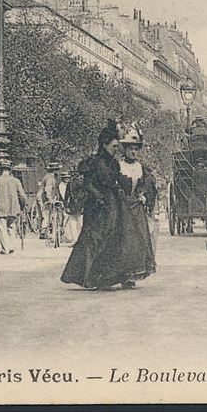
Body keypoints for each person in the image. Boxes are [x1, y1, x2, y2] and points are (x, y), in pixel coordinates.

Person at [61, 120, 155, 290]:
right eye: (113, 146)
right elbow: (87, 183)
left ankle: (107, 277)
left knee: (114, 239)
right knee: (94, 240)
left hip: (113, 205)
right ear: (104, 145)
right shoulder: (94, 162)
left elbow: (117, 181)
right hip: (97, 206)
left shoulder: (113, 163)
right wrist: (98, 196)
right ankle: (89, 277)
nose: (116, 149)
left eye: (117, 147)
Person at [118, 124, 159, 261]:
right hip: (121, 207)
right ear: (125, 150)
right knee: (123, 239)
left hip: (137, 208)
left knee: (139, 238)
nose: (133, 152)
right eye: (130, 149)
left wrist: (143, 196)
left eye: (136, 149)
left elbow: (147, 187)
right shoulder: (119, 166)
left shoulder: (141, 168)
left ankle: (134, 271)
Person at [0, 163, 27, 254]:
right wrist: (23, 205)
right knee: (12, 227)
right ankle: (11, 246)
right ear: (10, 170)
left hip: (1, 208)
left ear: (1, 170)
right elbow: (22, 196)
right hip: (13, 208)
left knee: (2, 228)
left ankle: (5, 248)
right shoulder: (16, 181)